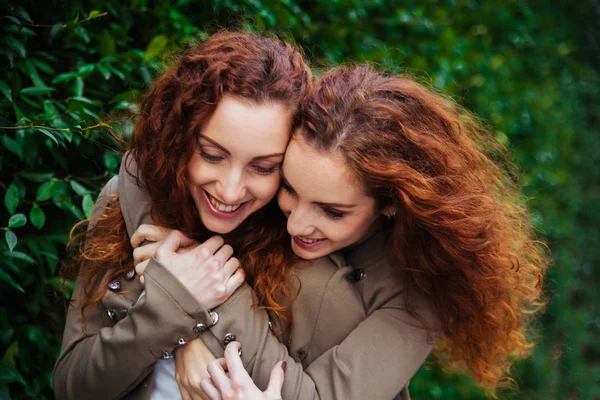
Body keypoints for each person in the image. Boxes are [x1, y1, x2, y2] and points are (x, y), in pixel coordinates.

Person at [128, 66, 549, 399]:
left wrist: (211, 291)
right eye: (290, 189)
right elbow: (135, 182)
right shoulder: (251, 190)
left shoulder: (416, 297)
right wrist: (186, 340)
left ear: (390, 203)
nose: (295, 224)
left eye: (332, 211)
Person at [52, 30, 314, 400]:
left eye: (264, 167)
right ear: (178, 138)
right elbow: (71, 388)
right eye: (211, 154)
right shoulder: (127, 201)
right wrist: (167, 316)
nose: (230, 190)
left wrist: (197, 321)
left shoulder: (309, 240)